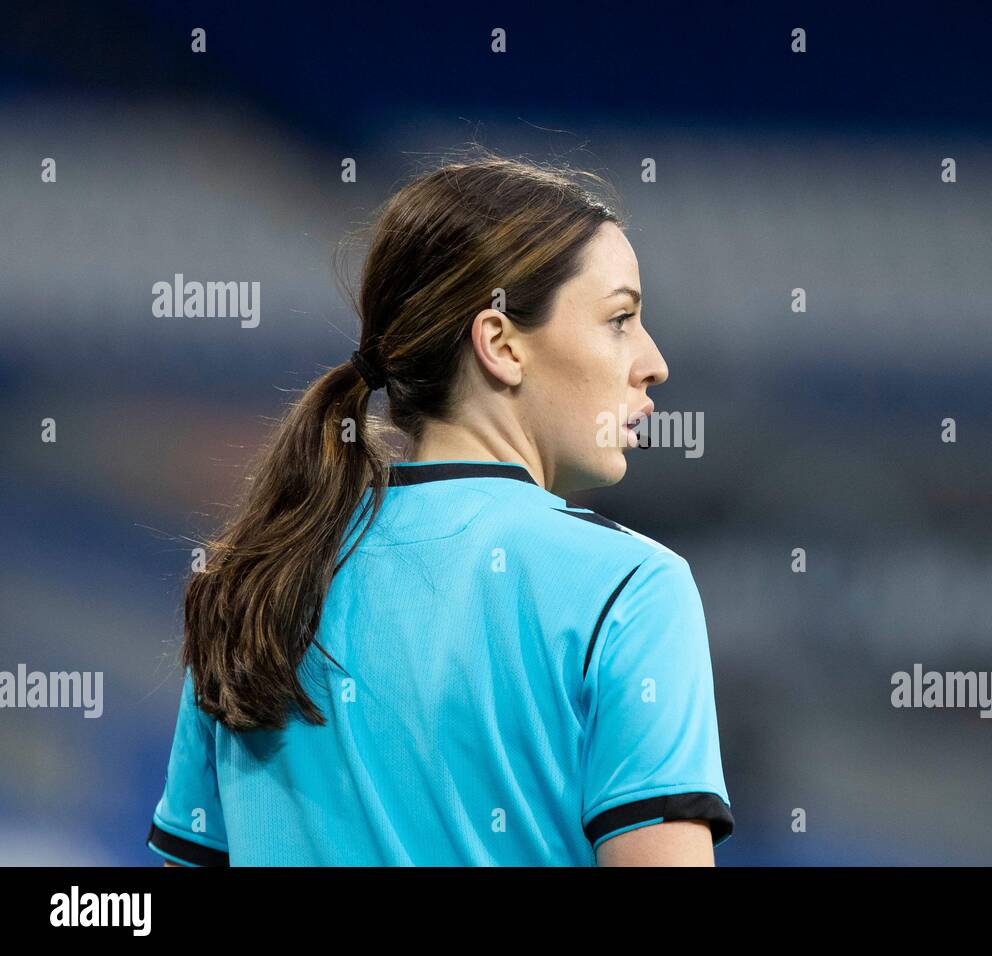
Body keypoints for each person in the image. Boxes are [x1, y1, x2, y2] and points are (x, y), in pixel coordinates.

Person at [145, 151, 733, 866]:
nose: (653, 360)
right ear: (501, 345)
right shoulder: (631, 588)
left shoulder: (258, 582)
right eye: (620, 319)